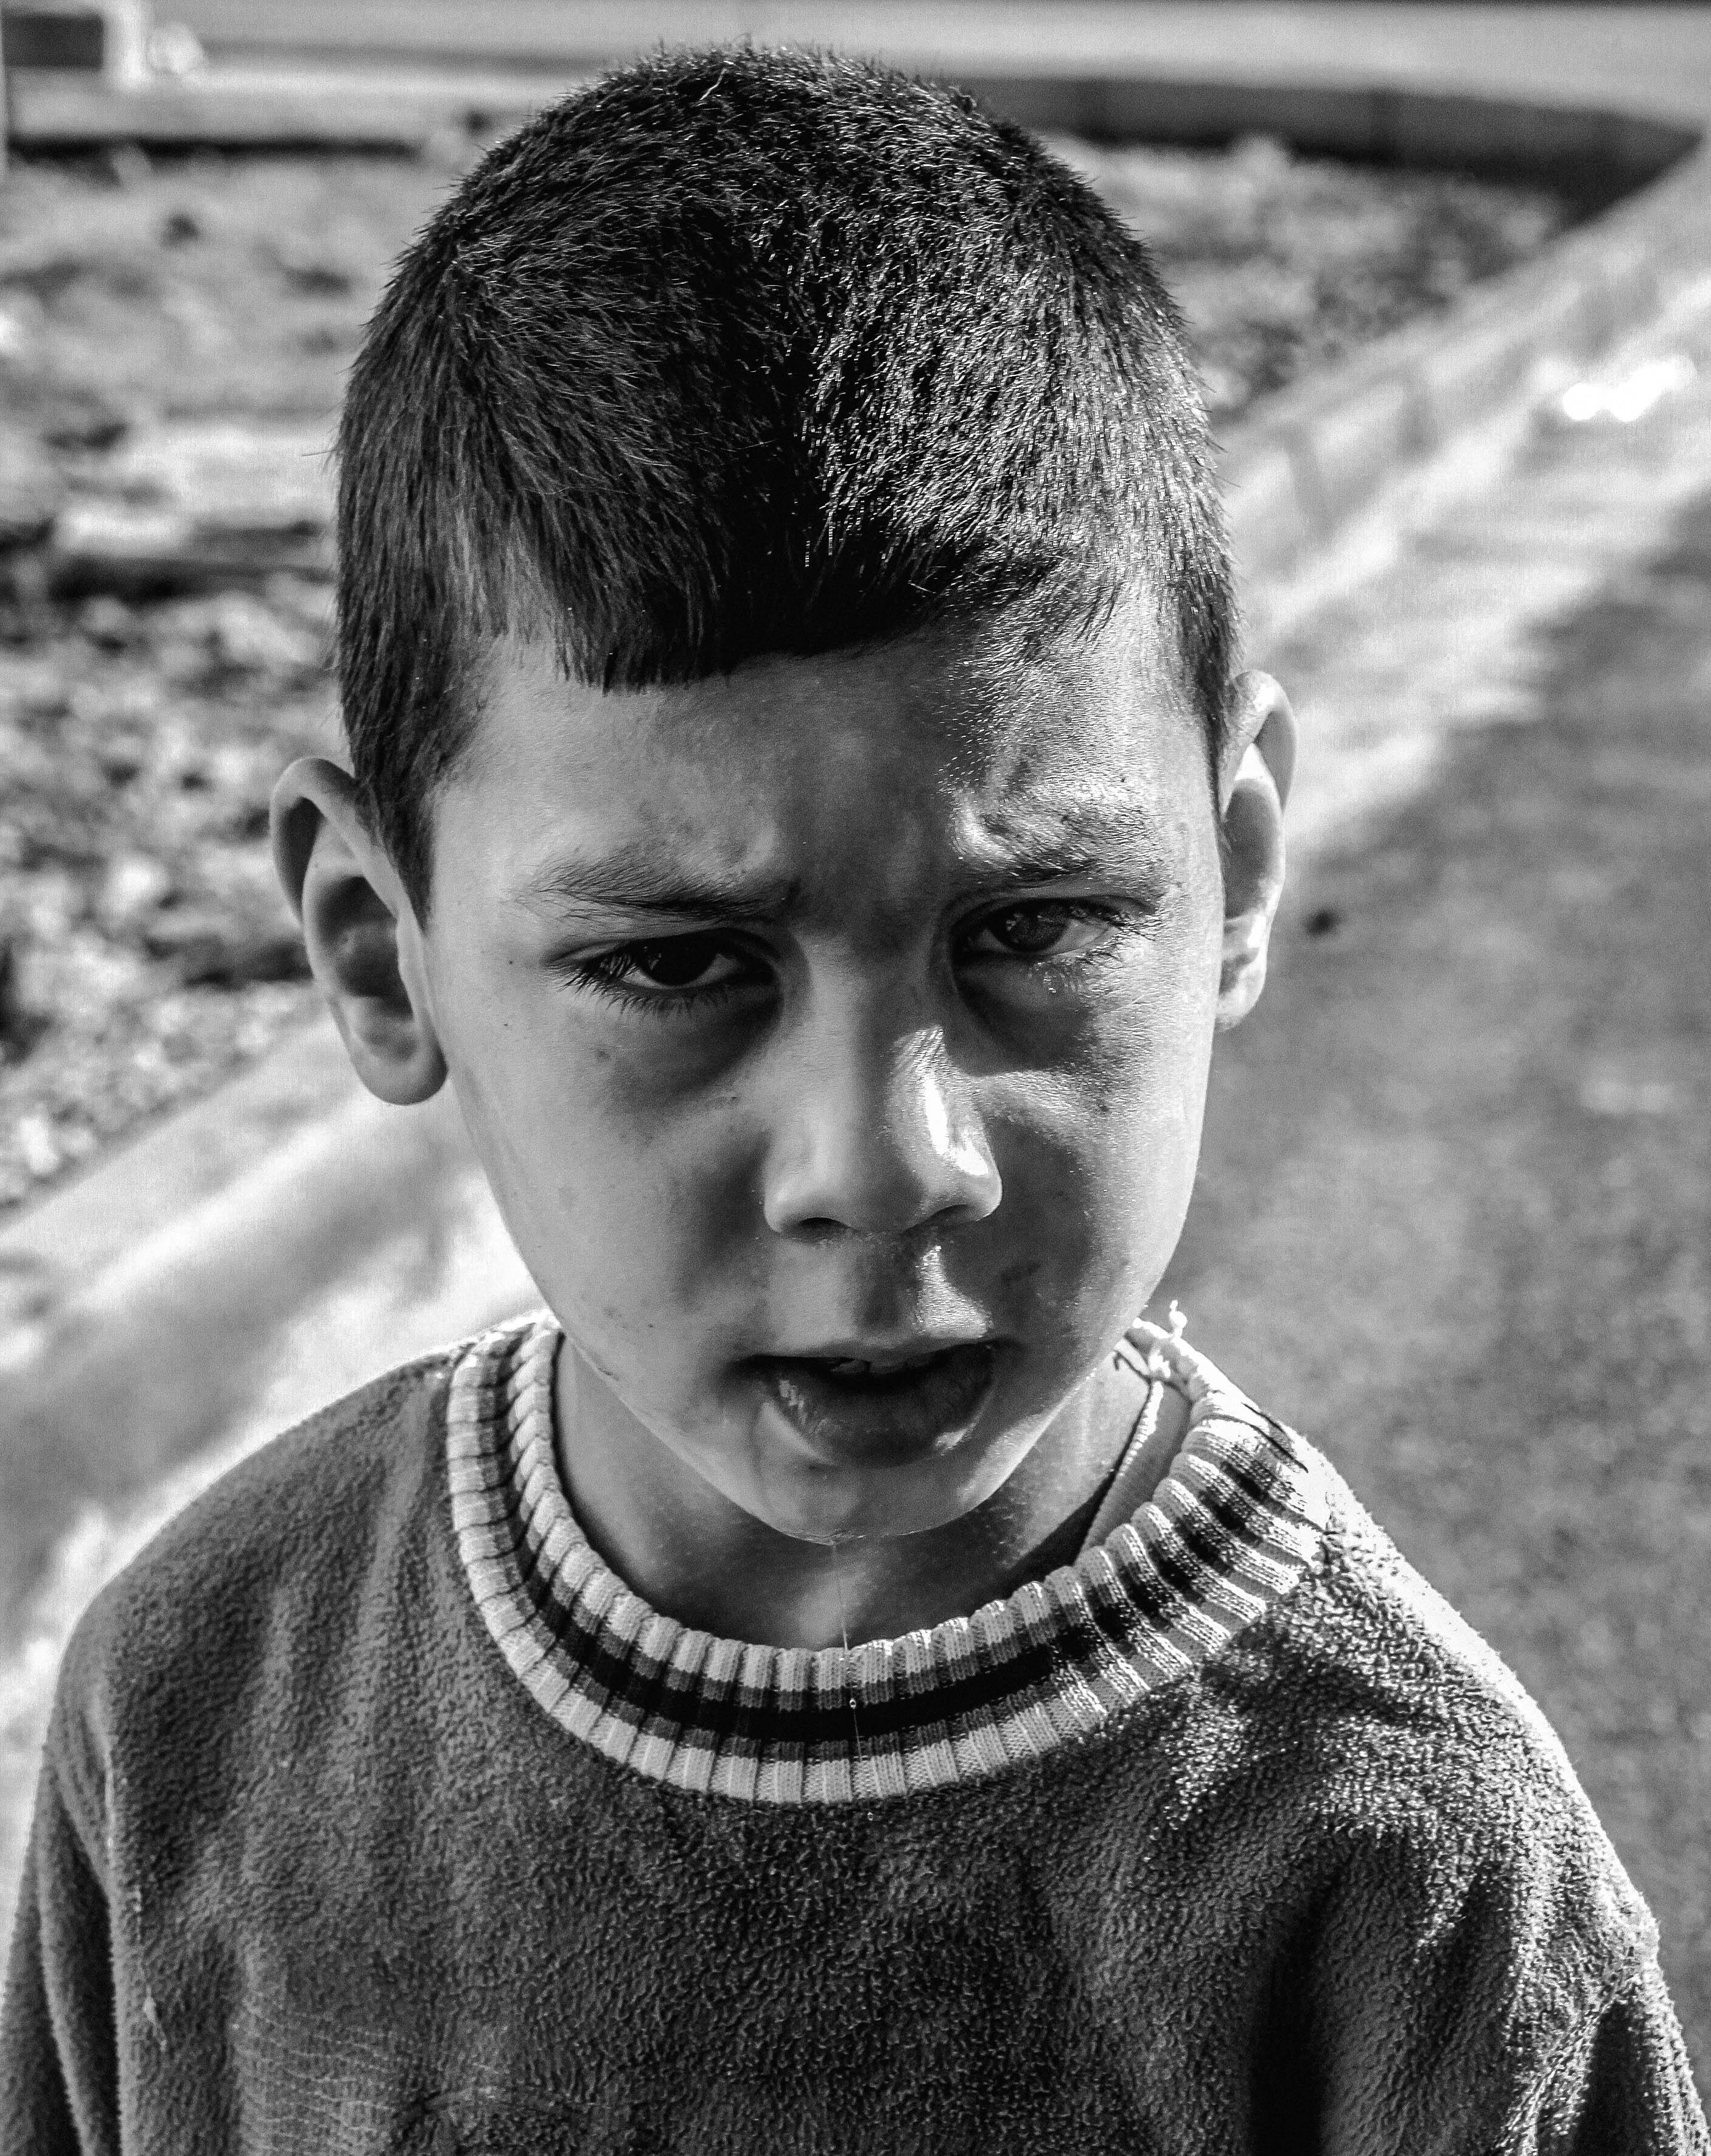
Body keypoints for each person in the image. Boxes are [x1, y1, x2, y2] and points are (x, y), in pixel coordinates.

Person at [3, 46, 1704, 2154]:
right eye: (679, 967)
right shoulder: (198, 1714)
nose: (891, 1161)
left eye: (1037, 927)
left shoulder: (1400, 1888)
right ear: (379, 951)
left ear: (1239, 871)